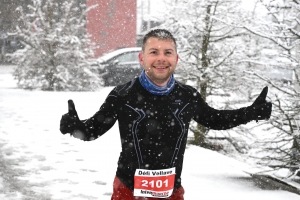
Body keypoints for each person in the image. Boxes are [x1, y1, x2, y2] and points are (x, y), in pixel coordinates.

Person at [60, 29, 272, 200]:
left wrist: (250, 112)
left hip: (171, 192)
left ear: (176, 58)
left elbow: (214, 120)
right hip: (127, 191)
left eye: (167, 52)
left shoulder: (188, 96)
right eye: (154, 52)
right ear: (142, 58)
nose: (161, 58)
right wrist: (75, 127)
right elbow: (93, 130)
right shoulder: (123, 95)